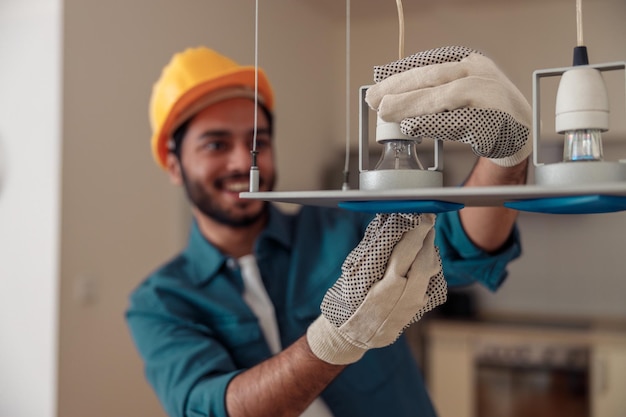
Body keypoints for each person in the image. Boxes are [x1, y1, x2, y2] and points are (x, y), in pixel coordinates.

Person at [126, 46, 529, 417]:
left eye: (257, 142)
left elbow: (464, 244)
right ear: (175, 165)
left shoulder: (343, 227)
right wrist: (332, 342)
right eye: (215, 145)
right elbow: (217, 408)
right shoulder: (161, 302)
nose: (239, 162)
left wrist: (507, 155)